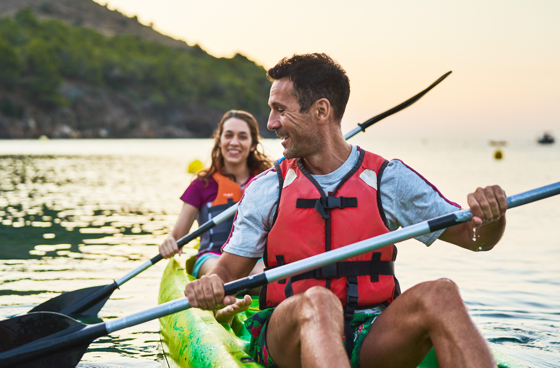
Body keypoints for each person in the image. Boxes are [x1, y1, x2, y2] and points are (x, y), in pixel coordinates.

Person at [184, 54, 508, 368]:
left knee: (442, 293)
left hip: (370, 333)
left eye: (280, 110)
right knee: (320, 301)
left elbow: (476, 238)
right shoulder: (267, 188)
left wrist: (492, 216)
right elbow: (227, 274)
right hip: (286, 332)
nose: (271, 123)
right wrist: (211, 284)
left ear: (321, 110)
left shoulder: (388, 179)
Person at [159, 110, 272, 319]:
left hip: (255, 259)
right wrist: (169, 243)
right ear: (219, 140)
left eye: (242, 136)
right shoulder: (201, 184)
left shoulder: (269, 181)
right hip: (213, 256)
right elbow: (177, 237)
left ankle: (236, 303)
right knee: (222, 279)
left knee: (265, 277)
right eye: (228, 135)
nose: (234, 142)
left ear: (253, 144)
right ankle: (223, 310)